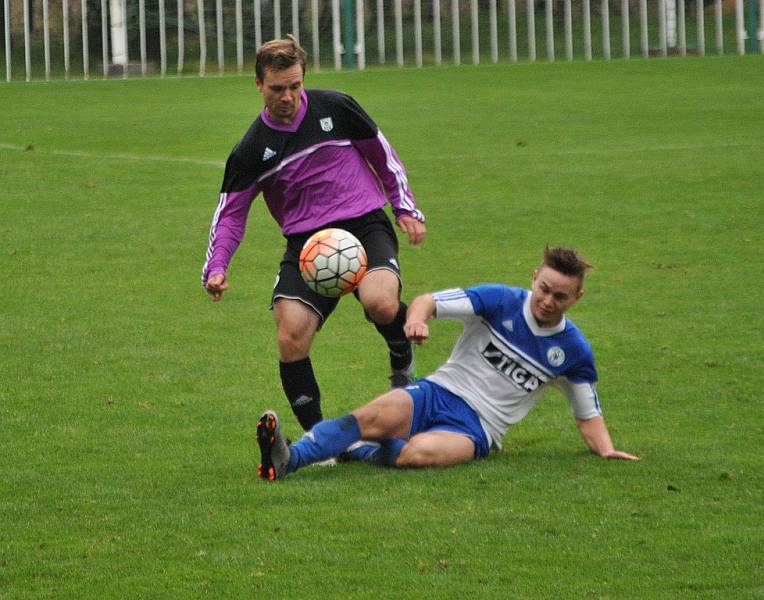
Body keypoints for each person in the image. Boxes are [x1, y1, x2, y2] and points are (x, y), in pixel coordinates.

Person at [256, 245, 639, 481]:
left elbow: (587, 414)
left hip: (477, 428)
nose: (548, 300)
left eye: (561, 296)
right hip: (437, 392)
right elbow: (428, 300)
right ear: (534, 277)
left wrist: (605, 450)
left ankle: (354, 450)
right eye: (544, 288)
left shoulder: (572, 350)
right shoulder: (499, 300)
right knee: (367, 418)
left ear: (577, 297)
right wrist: (416, 319)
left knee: (417, 453)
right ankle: (289, 458)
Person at [202, 36, 426, 432]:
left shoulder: (336, 107)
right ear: (258, 85)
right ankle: (318, 439)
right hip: (307, 245)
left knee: (381, 303)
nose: (287, 96)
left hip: (364, 224)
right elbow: (231, 215)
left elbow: (382, 155)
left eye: (294, 86)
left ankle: (401, 362)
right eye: (276, 89)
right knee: (290, 336)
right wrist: (217, 266)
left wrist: (404, 206)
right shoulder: (251, 149)